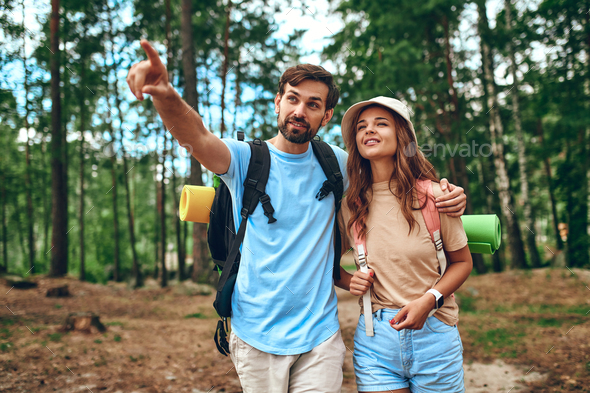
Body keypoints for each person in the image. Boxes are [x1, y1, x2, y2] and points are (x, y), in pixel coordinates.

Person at [126, 40, 467, 392]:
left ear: (326, 115)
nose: (300, 110)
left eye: (313, 104)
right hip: (255, 333)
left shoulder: (338, 165)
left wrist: (447, 193)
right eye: (292, 99)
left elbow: (393, 181)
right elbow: (195, 136)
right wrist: (165, 94)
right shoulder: (245, 160)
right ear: (278, 102)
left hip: (320, 335)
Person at [335, 97, 473, 393]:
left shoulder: (436, 196)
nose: (368, 130)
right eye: (362, 127)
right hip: (375, 343)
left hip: (435, 333)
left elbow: (463, 262)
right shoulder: (350, 205)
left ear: (403, 136)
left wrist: (429, 300)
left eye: (380, 124)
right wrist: (350, 281)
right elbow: (330, 268)